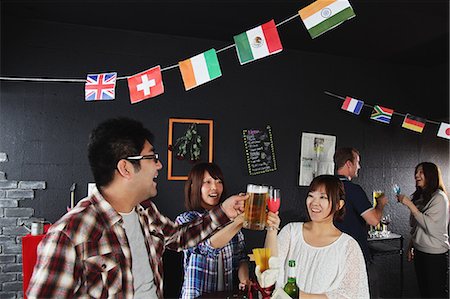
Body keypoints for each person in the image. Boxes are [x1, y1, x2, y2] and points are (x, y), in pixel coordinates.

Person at [26, 117, 247, 299]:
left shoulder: (145, 211)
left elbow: (180, 237)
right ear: (126, 168)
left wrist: (226, 211)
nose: (159, 165)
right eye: (152, 157)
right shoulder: (69, 234)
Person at [265, 175, 369, 298]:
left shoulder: (348, 246)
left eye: (323, 197)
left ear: (338, 205)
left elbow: (349, 294)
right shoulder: (291, 232)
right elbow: (269, 270)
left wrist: (299, 296)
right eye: (311, 196)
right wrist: (271, 229)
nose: (314, 203)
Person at [176, 162, 250, 298]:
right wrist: (238, 222)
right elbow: (205, 248)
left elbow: (241, 257)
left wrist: (244, 280)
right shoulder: (186, 220)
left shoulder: (232, 221)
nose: (214, 187)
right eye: (207, 182)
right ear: (194, 186)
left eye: (218, 181)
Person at [396, 162, 449, 298]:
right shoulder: (421, 197)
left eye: (421, 172)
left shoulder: (439, 198)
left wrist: (409, 204)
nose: (416, 175)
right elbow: (416, 226)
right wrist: (411, 245)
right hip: (420, 252)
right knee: (424, 293)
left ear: (430, 175)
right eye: (416, 172)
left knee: (435, 294)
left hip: (434, 256)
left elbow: (430, 226)